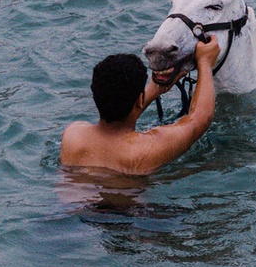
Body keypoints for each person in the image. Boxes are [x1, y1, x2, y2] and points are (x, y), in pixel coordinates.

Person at [60, 37, 220, 176]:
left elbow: (117, 110)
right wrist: (205, 62)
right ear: (139, 100)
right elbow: (199, 119)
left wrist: (154, 88)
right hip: (129, 211)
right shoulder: (146, 150)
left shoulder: (73, 136)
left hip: (71, 209)